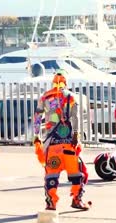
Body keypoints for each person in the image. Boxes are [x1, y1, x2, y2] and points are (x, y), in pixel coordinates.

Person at [33, 72, 89, 211]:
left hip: (52, 143)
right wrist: (76, 134)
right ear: (66, 83)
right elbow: (75, 117)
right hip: (69, 142)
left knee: (51, 173)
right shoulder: (71, 96)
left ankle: (51, 202)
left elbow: (37, 117)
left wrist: (36, 135)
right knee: (77, 172)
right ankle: (77, 199)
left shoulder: (45, 97)